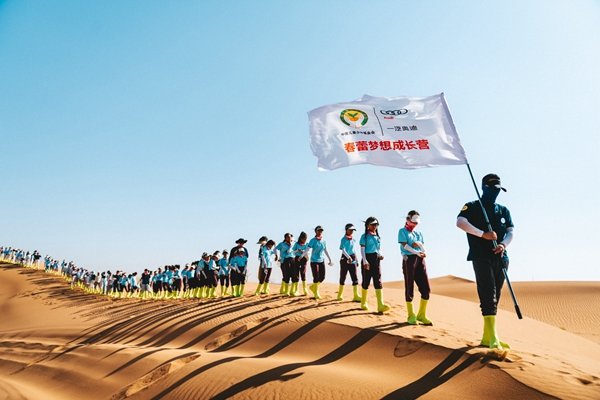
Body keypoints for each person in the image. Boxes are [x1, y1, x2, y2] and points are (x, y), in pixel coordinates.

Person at [456, 173, 514, 351]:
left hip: (501, 258)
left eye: (498, 190)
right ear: (484, 188)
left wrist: (503, 245)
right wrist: (483, 234)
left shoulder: (503, 210)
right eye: (492, 189)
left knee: (496, 295)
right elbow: (460, 222)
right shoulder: (473, 206)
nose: (495, 193)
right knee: (488, 293)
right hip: (481, 256)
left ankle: (487, 335)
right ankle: (492, 337)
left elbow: (511, 231)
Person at [398, 210, 432, 325]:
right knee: (409, 287)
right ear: (408, 219)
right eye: (413, 222)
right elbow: (404, 245)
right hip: (409, 260)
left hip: (420, 260)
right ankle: (411, 315)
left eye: (416, 223)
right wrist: (415, 252)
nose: (415, 224)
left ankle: (421, 315)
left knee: (426, 289)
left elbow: (421, 244)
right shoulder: (402, 231)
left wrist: (423, 251)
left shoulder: (418, 233)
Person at [359, 217, 390, 313]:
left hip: (376, 260)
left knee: (378, 280)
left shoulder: (377, 237)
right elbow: (363, 249)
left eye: (376, 224)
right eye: (372, 224)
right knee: (366, 280)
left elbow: (377, 249)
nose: (374, 226)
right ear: (367, 225)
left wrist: (380, 255)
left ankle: (380, 305)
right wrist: (365, 261)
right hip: (367, 259)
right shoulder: (364, 236)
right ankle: (363, 302)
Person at [307, 226, 333, 300]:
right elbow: (308, 249)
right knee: (316, 276)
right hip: (314, 261)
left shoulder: (323, 241)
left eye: (321, 231)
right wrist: (302, 256)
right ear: (315, 231)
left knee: (322, 277)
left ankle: (313, 287)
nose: (320, 232)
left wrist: (330, 259)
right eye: (318, 230)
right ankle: (316, 293)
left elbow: (325, 250)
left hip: (321, 260)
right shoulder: (312, 240)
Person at [337, 223, 361, 302]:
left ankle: (356, 295)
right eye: (350, 230)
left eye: (352, 230)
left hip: (353, 258)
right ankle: (339, 294)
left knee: (354, 277)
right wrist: (348, 257)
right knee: (343, 276)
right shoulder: (343, 239)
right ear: (346, 230)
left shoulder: (353, 239)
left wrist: (356, 259)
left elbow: (353, 250)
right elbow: (343, 250)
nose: (351, 232)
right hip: (345, 258)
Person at [291, 232, 309, 296]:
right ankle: (296, 290)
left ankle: (305, 290)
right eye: (303, 238)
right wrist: (297, 250)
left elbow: (308, 252)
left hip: (304, 259)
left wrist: (303, 252)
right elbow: (292, 251)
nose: (304, 240)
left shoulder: (307, 244)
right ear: (300, 238)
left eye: (305, 239)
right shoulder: (296, 244)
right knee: (296, 273)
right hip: (297, 258)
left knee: (303, 272)